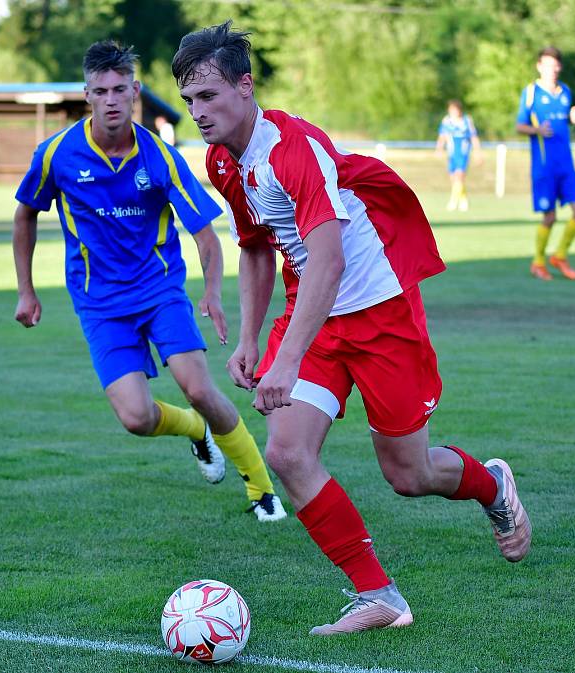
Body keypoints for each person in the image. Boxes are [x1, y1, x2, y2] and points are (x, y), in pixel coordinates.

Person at [172, 21, 532, 635]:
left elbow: (331, 260)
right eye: (189, 102)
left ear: (245, 86)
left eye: (208, 97)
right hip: (313, 312)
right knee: (286, 452)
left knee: (408, 474)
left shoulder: (294, 149)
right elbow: (258, 247)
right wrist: (257, 340)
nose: (198, 113)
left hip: (379, 313)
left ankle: (491, 483)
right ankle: (379, 595)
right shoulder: (221, 162)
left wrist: (286, 361)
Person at [12, 39, 285, 522]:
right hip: (98, 303)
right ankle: (196, 433)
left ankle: (261, 489)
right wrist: (27, 290)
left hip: (160, 292)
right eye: (101, 90)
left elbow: (205, 234)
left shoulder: (159, 156)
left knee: (199, 388)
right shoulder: (57, 154)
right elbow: (25, 215)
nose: (112, 99)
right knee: (136, 418)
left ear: (136, 91)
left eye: (121, 89)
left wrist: (212, 293)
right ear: (88, 95)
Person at [516, 46, 575, 281]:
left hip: (566, 166)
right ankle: (538, 262)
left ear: (560, 67)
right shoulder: (530, 93)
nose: (552, 70)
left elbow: (564, 120)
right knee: (550, 217)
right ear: (539, 66)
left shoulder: (565, 91)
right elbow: (519, 126)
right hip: (544, 167)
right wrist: (536, 130)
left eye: (556, 65)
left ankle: (560, 255)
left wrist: (572, 119)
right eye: (548, 65)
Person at [435, 99, 482, 212]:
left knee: (459, 176)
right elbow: (442, 136)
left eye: (454, 109)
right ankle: (463, 199)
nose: (452, 112)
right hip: (451, 154)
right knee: (453, 178)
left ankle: (453, 201)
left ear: (459, 110)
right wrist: (439, 149)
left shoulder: (467, 120)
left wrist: (478, 152)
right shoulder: (446, 121)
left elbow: (474, 137)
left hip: (463, 153)